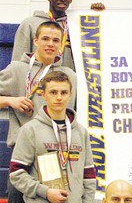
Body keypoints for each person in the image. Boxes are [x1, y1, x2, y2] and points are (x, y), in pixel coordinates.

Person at [0, 21, 77, 203]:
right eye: (45, 39)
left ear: (61, 44)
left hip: (56, 155)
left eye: (55, 40)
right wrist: (10, 100)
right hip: (22, 154)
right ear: (35, 40)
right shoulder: (17, 69)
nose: (50, 44)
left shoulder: (69, 76)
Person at [9, 71, 96, 203]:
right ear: (43, 94)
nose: (59, 97)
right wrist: (45, 192)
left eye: (64, 92)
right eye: (53, 92)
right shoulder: (30, 130)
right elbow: (16, 173)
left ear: (70, 95)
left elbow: (88, 176)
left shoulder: (81, 132)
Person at [11, 0, 105, 71]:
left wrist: (97, 16)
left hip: (66, 85)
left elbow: (94, 52)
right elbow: (18, 62)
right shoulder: (30, 24)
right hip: (36, 85)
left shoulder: (77, 26)